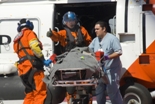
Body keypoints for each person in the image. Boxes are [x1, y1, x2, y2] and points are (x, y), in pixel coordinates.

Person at [46, 11, 92, 104]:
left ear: (75, 21)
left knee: (87, 83)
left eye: (72, 20)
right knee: (70, 84)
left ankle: (87, 97)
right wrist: (51, 34)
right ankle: (70, 98)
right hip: (69, 59)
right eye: (68, 21)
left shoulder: (82, 30)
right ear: (65, 22)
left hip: (82, 57)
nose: (70, 22)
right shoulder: (63, 32)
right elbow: (57, 37)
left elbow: (89, 41)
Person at [13, 18, 51, 104]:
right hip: (33, 67)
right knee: (40, 92)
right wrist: (42, 59)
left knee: (30, 94)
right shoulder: (29, 33)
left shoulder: (16, 39)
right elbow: (34, 47)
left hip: (23, 69)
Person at [89, 21, 123, 104]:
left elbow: (119, 52)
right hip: (99, 72)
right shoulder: (95, 40)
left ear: (104, 29)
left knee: (113, 94)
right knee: (99, 94)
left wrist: (106, 57)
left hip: (111, 71)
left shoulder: (112, 39)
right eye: (95, 29)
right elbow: (89, 50)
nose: (95, 31)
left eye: (97, 29)